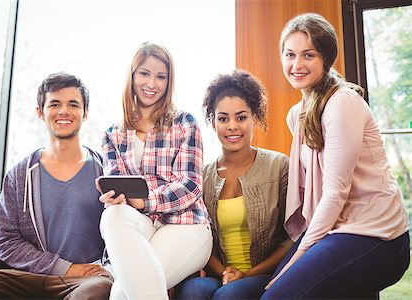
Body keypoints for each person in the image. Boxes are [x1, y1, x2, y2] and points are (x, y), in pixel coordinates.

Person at [261, 13, 410, 299]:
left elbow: (335, 192)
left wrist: (300, 255)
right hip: (336, 227)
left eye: (309, 55)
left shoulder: (342, 102)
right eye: (290, 54)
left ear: (326, 58)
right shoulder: (297, 114)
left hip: (378, 235)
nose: (297, 65)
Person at [0, 72, 113, 299]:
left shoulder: (107, 171)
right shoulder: (19, 175)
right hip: (33, 277)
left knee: (91, 295)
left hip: (89, 279)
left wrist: (107, 270)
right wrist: (63, 268)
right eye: (55, 104)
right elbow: (6, 240)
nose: (64, 111)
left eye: (73, 104)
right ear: (40, 112)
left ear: (85, 113)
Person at [98, 42, 213, 300]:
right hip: (142, 224)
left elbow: (191, 186)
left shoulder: (184, 123)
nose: (152, 83)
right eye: (144, 74)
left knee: (120, 294)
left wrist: (146, 200)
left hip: (187, 225)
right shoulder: (112, 134)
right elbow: (119, 186)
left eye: (161, 76)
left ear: (169, 82)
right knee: (111, 216)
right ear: (132, 76)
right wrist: (115, 197)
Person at [174, 70, 293, 300]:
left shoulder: (278, 166)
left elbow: (292, 237)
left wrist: (248, 274)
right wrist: (225, 273)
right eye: (223, 118)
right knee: (192, 292)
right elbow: (196, 236)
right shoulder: (201, 176)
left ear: (254, 118)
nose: (232, 126)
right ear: (212, 122)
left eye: (241, 117)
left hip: (266, 274)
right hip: (222, 275)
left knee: (228, 297)